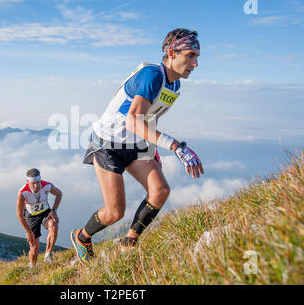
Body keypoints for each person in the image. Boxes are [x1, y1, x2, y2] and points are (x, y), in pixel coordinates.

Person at [71, 28, 204, 264]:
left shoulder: (174, 85)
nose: (195, 63)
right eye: (190, 55)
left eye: (197, 57)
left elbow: (149, 117)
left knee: (160, 191)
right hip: (107, 145)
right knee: (114, 213)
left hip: (134, 143)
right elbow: (133, 120)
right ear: (172, 52)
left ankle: (129, 242)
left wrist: (152, 148)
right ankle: (82, 237)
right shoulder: (152, 75)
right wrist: (175, 146)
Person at [17, 168, 62, 266]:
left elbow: (59, 194)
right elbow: (19, 214)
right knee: (35, 247)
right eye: (33, 183)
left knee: (54, 225)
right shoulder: (22, 192)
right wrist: (28, 232)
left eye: (38, 182)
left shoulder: (47, 185)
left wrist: (54, 210)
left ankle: (48, 255)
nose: (36, 185)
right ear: (27, 181)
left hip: (45, 212)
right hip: (31, 216)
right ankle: (33, 266)